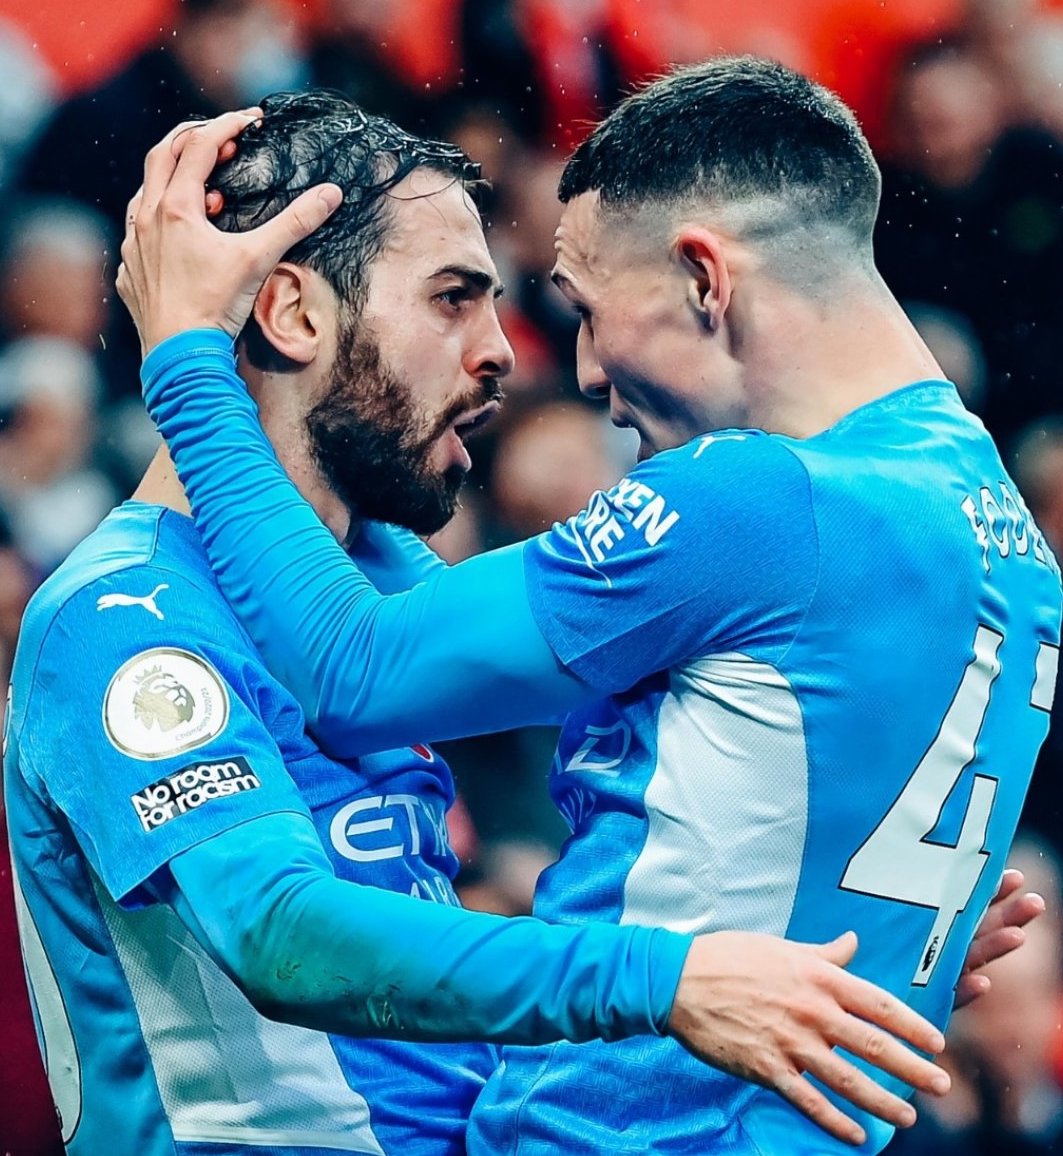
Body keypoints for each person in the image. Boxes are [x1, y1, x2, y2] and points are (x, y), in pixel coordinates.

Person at [116, 67, 1062, 1153]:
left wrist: (186, 355)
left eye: (585, 310)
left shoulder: (757, 501)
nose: (584, 372)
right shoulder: (1006, 534)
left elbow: (354, 670)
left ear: (703, 277)